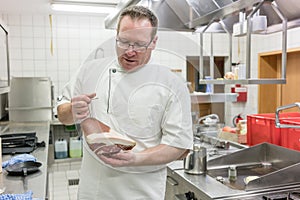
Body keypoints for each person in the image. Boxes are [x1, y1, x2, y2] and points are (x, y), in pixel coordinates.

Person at [57, 5, 193, 200]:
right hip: (93, 192)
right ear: (116, 36)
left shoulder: (172, 84)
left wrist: (135, 158)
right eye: (124, 42)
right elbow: (62, 115)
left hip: (142, 193)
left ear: (154, 42)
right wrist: (72, 110)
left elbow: (179, 146)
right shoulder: (89, 72)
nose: (130, 51)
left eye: (139, 44)